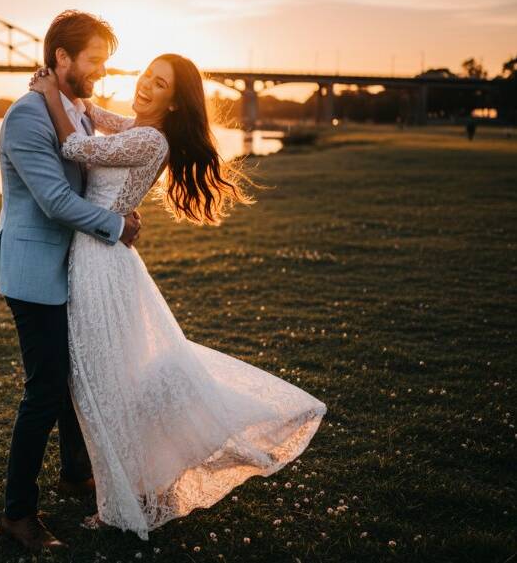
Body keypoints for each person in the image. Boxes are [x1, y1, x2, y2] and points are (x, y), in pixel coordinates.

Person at [28, 53, 327, 541]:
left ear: (175, 101)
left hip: (102, 266)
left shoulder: (150, 138)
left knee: (104, 385)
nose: (146, 85)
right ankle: (131, 487)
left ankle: (123, 502)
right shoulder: (138, 128)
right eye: (147, 75)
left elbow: (77, 147)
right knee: (99, 382)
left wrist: (46, 96)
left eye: (160, 84)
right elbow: (94, 117)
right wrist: (66, 86)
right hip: (96, 258)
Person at [0, 10, 142, 552]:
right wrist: (117, 225)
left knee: (73, 379)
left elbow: (107, 142)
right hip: (32, 273)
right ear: (62, 58)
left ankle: (75, 472)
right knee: (45, 389)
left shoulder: (73, 107)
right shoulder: (28, 116)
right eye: (95, 59)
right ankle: (18, 514)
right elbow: (53, 201)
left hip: (68, 267)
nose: (102, 70)